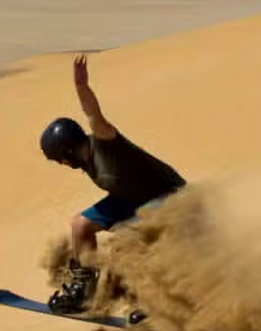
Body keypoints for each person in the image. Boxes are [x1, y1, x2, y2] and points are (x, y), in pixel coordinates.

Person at [39, 54, 186, 313]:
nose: (61, 164)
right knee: (80, 225)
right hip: (132, 199)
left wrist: (82, 88)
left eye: (60, 158)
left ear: (69, 150)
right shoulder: (85, 162)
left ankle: (154, 302)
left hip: (169, 196)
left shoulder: (105, 144)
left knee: (127, 239)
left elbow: (94, 116)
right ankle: (84, 289)